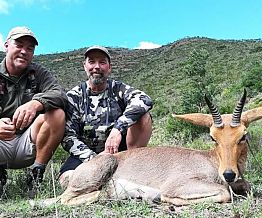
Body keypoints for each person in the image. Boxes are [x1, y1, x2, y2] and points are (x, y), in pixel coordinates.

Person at [59, 45, 153, 186]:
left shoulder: (119, 89)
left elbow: (144, 100)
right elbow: (68, 137)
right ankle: (111, 184)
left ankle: (133, 169)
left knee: (143, 116)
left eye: (102, 62)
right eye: (91, 62)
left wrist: (118, 129)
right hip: (86, 155)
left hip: (120, 154)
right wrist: (94, 159)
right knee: (66, 180)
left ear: (109, 67)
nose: (97, 67)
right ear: (85, 66)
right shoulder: (74, 96)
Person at [0, 26, 67, 197]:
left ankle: (35, 175)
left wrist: (36, 103)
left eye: (30, 48)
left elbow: (60, 94)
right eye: (19, 45)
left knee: (57, 113)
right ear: (6, 45)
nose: (24, 51)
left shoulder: (39, 73)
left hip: (27, 143)